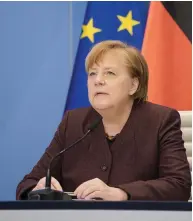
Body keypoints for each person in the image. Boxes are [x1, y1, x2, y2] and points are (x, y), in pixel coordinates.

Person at [16, 40, 191, 201]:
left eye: (110, 73)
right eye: (92, 74)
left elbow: (179, 185)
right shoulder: (73, 123)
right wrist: (36, 188)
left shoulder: (160, 121)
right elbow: (28, 183)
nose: (98, 80)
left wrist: (121, 194)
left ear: (133, 85)